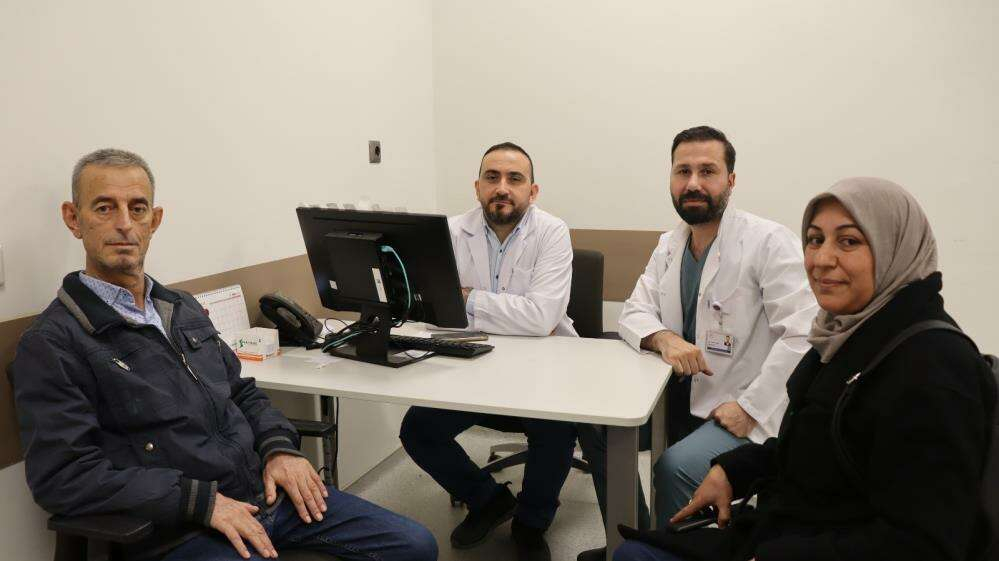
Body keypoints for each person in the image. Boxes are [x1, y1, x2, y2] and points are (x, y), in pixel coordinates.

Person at [10, 148, 438, 561]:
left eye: (137, 209)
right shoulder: (54, 342)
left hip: (263, 492)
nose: (124, 224)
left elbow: (241, 392)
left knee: (415, 545)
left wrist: (279, 448)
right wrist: (201, 502)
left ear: (154, 221)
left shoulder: (180, 307)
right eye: (104, 208)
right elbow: (64, 477)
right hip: (180, 528)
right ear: (74, 218)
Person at [615, 177, 992, 561]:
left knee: (635, 553)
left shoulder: (935, 369)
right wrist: (733, 470)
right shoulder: (846, 336)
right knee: (634, 550)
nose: (822, 259)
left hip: (807, 545)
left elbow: (924, 544)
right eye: (814, 239)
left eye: (849, 241)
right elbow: (813, 448)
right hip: (791, 528)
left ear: (895, 247)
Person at [578, 126, 817, 561]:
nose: (693, 182)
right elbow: (634, 311)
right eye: (682, 171)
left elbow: (804, 334)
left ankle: (677, 550)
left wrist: (751, 408)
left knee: (676, 467)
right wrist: (665, 338)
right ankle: (637, 538)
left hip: (742, 404)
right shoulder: (670, 246)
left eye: (707, 171)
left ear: (731, 180)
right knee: (598, 427)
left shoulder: (767, 241)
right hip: (677, 393)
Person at [399, 142, 577, 561]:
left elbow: (541, 318)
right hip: (471, 368)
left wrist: (467, 299)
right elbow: (431, 311)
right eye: (492, 177)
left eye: (515, 179)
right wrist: (505, 311)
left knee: (557, 427)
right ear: (477, 186)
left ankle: (531, 521)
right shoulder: (448, 233)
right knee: (418, 429)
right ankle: (488, 500)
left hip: (542, 370)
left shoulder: (552, 232)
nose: (502, 188)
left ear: (532, 191)